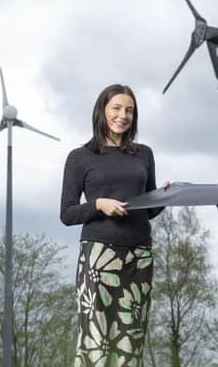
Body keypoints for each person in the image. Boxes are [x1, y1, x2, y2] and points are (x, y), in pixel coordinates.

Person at [60, 84, 164, 367]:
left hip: (139, 256)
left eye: (129, 110)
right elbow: (67, 213)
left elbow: (150, 209)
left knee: (132, 335)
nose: (123, 115)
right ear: (102, 111)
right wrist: (97, 205)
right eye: (117, 108)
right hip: (98, 256)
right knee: (96, 335)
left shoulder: (144, 154)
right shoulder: (80, 157)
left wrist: (165, 196)